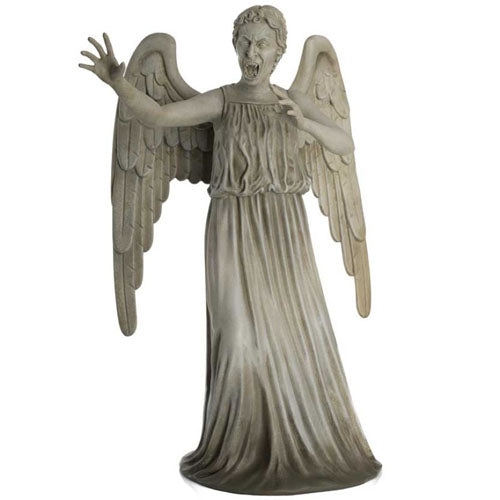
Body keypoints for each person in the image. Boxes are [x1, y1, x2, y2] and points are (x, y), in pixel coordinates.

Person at [80, 5, 381, 495]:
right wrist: (119, 84)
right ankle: (239, 445)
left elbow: (343, 144)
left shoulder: (293, 100)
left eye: (262, 44)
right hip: (231, 227)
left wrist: (304, 122)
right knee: (236, 335)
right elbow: (158, 116)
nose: (251, 53)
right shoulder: (222, 100)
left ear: (279, 52)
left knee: (293, 334)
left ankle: (298, 438)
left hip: (283, 230)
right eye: (245, 43)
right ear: (235, 48)